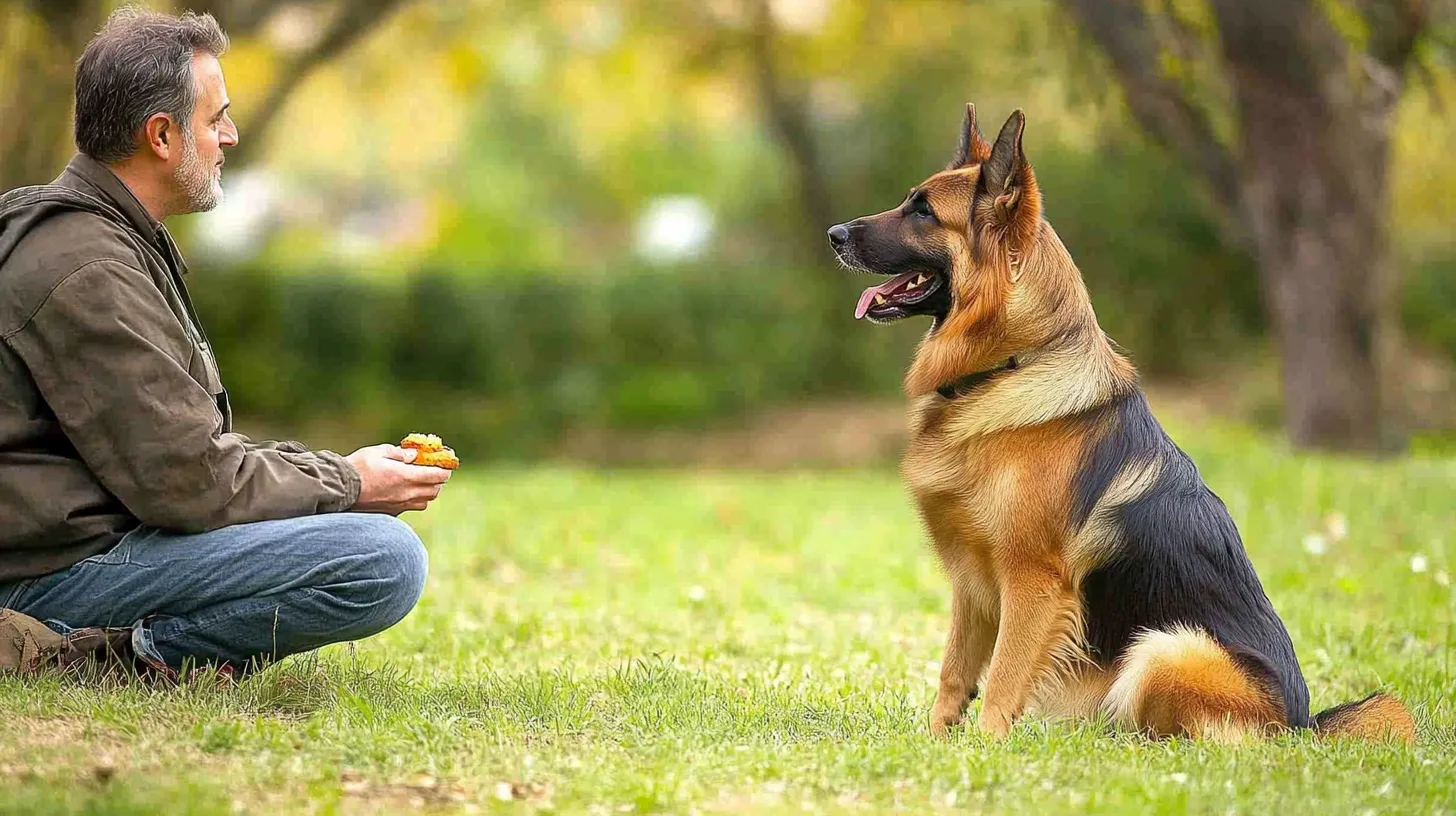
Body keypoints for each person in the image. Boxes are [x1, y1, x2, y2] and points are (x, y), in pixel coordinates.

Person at [0, 7, 450, 680]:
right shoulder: (85, 267)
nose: (230, 136)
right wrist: (350, 482)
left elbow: (185, 456)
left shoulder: (109, 240)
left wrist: (338, 470)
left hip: (89, 546)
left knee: (370, 547)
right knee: (380, 559)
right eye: (215, 120)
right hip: (51, 575)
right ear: (160, 134)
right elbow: (190, 483)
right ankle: (108, 657)